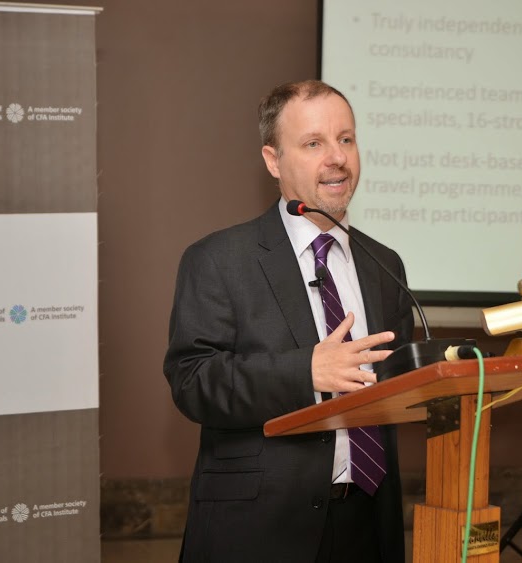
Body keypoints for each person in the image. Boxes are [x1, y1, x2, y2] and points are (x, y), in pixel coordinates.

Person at [163, 79, 414, 562]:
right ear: (273, 160)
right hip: (259, 529)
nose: (337, 158)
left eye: (346, 139)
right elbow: (192, 381)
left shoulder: (384, 264)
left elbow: (396, 386)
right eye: (313, 143)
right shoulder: (217, 259)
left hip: (368, 521)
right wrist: (306, 372)